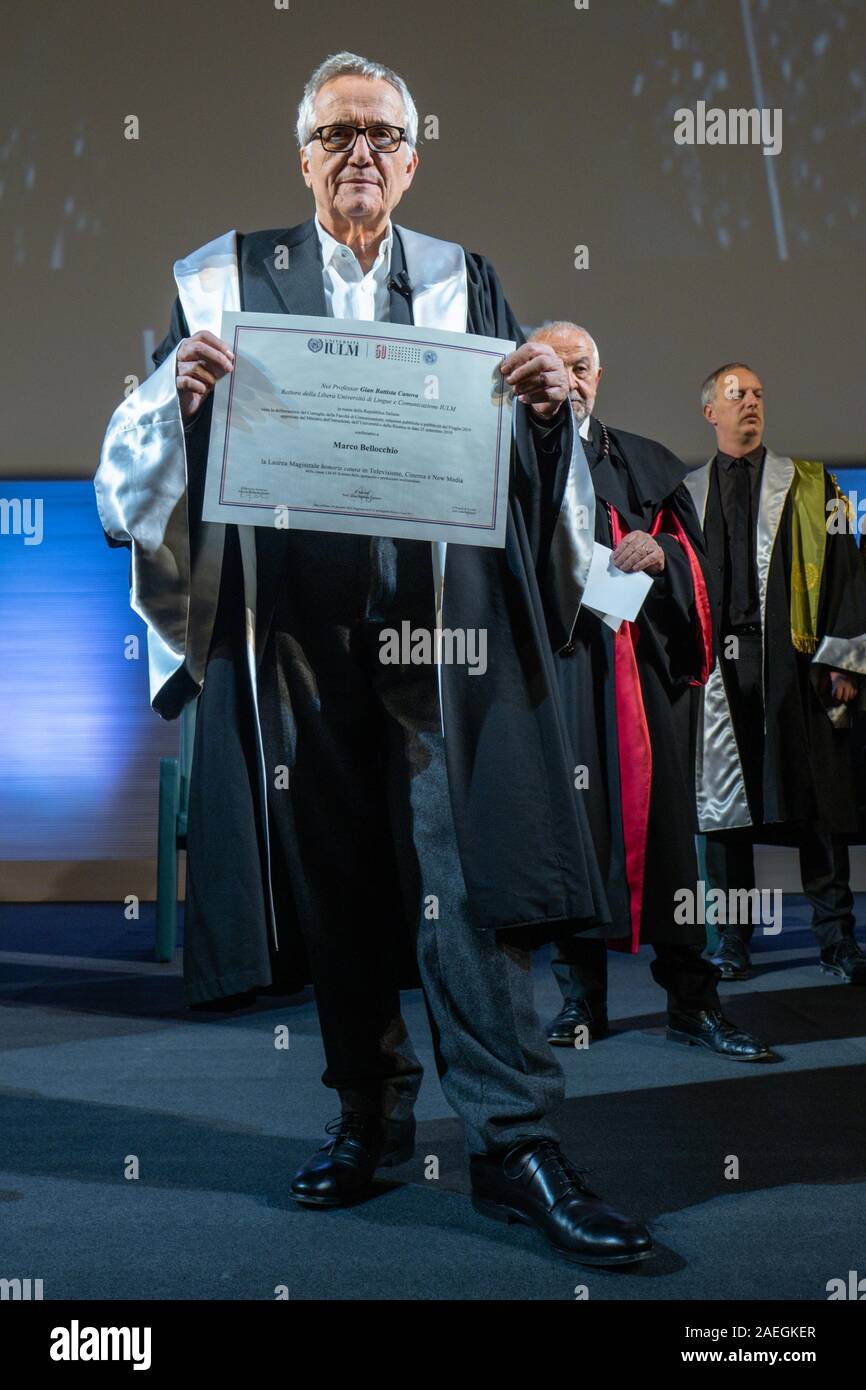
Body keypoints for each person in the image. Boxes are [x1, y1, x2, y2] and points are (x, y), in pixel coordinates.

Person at [95, 52, 652, 1266]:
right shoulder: (223, 279)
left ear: (413, 154)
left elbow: (521, 442)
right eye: (338, 134)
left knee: (468, 891)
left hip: (436, 649)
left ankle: (510, 1143)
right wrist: (172, 402)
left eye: (383, 135)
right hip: (296, 643)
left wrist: (549, 407)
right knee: (339, 892)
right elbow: (131, 466)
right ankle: (370, 1116)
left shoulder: (465, 281)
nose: (362, 154)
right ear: (301, 158)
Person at [532, 322, 771, 1061]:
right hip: (556, 684)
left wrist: (662, 552)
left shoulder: (643, 461)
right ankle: (581, 1002)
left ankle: (692, 1002)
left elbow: (699, 566)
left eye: (580, 367)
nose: (569, 380)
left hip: (640, 683)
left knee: (668, 842)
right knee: (575, 839)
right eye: (552, 367)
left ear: (597, 377)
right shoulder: (507, 468)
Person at [688, 362, 866, 983]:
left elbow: (847, 572)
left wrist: (843, 660)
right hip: (718, 671)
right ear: (711, 411)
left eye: (759, 393)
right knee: (725, 811)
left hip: (795, 665)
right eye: (737, 395)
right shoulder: (686, 494)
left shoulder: (813, 488)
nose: (751, 403)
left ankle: (837, 938)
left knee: (816, 801)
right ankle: (730, 941)